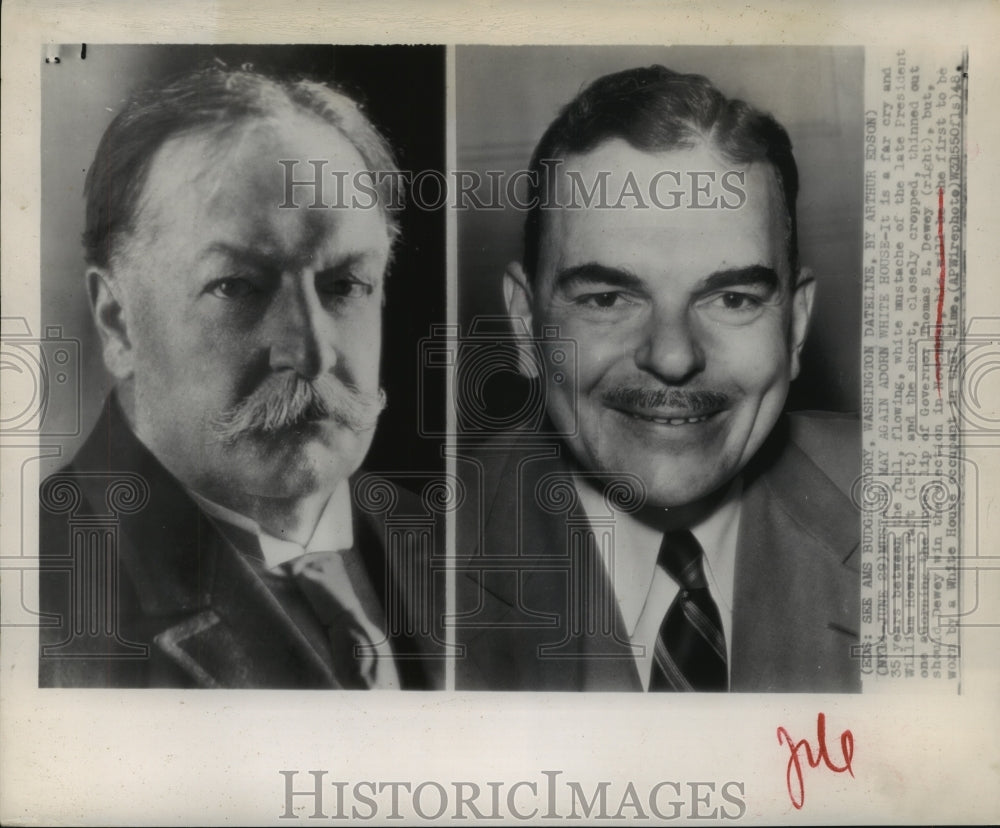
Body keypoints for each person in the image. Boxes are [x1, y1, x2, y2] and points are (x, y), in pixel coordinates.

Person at [454, 65, 860, 692]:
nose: (673, 357)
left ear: (797, 324)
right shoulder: (406, 567)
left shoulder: (931, 522)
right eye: (608, 298)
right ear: (525, 323)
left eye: (732, 299)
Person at [39, 65, 443, 689]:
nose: (311, 355)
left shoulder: (473, 557)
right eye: (238, 287)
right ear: (118, 321)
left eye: (344, 286)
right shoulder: (36, 605)